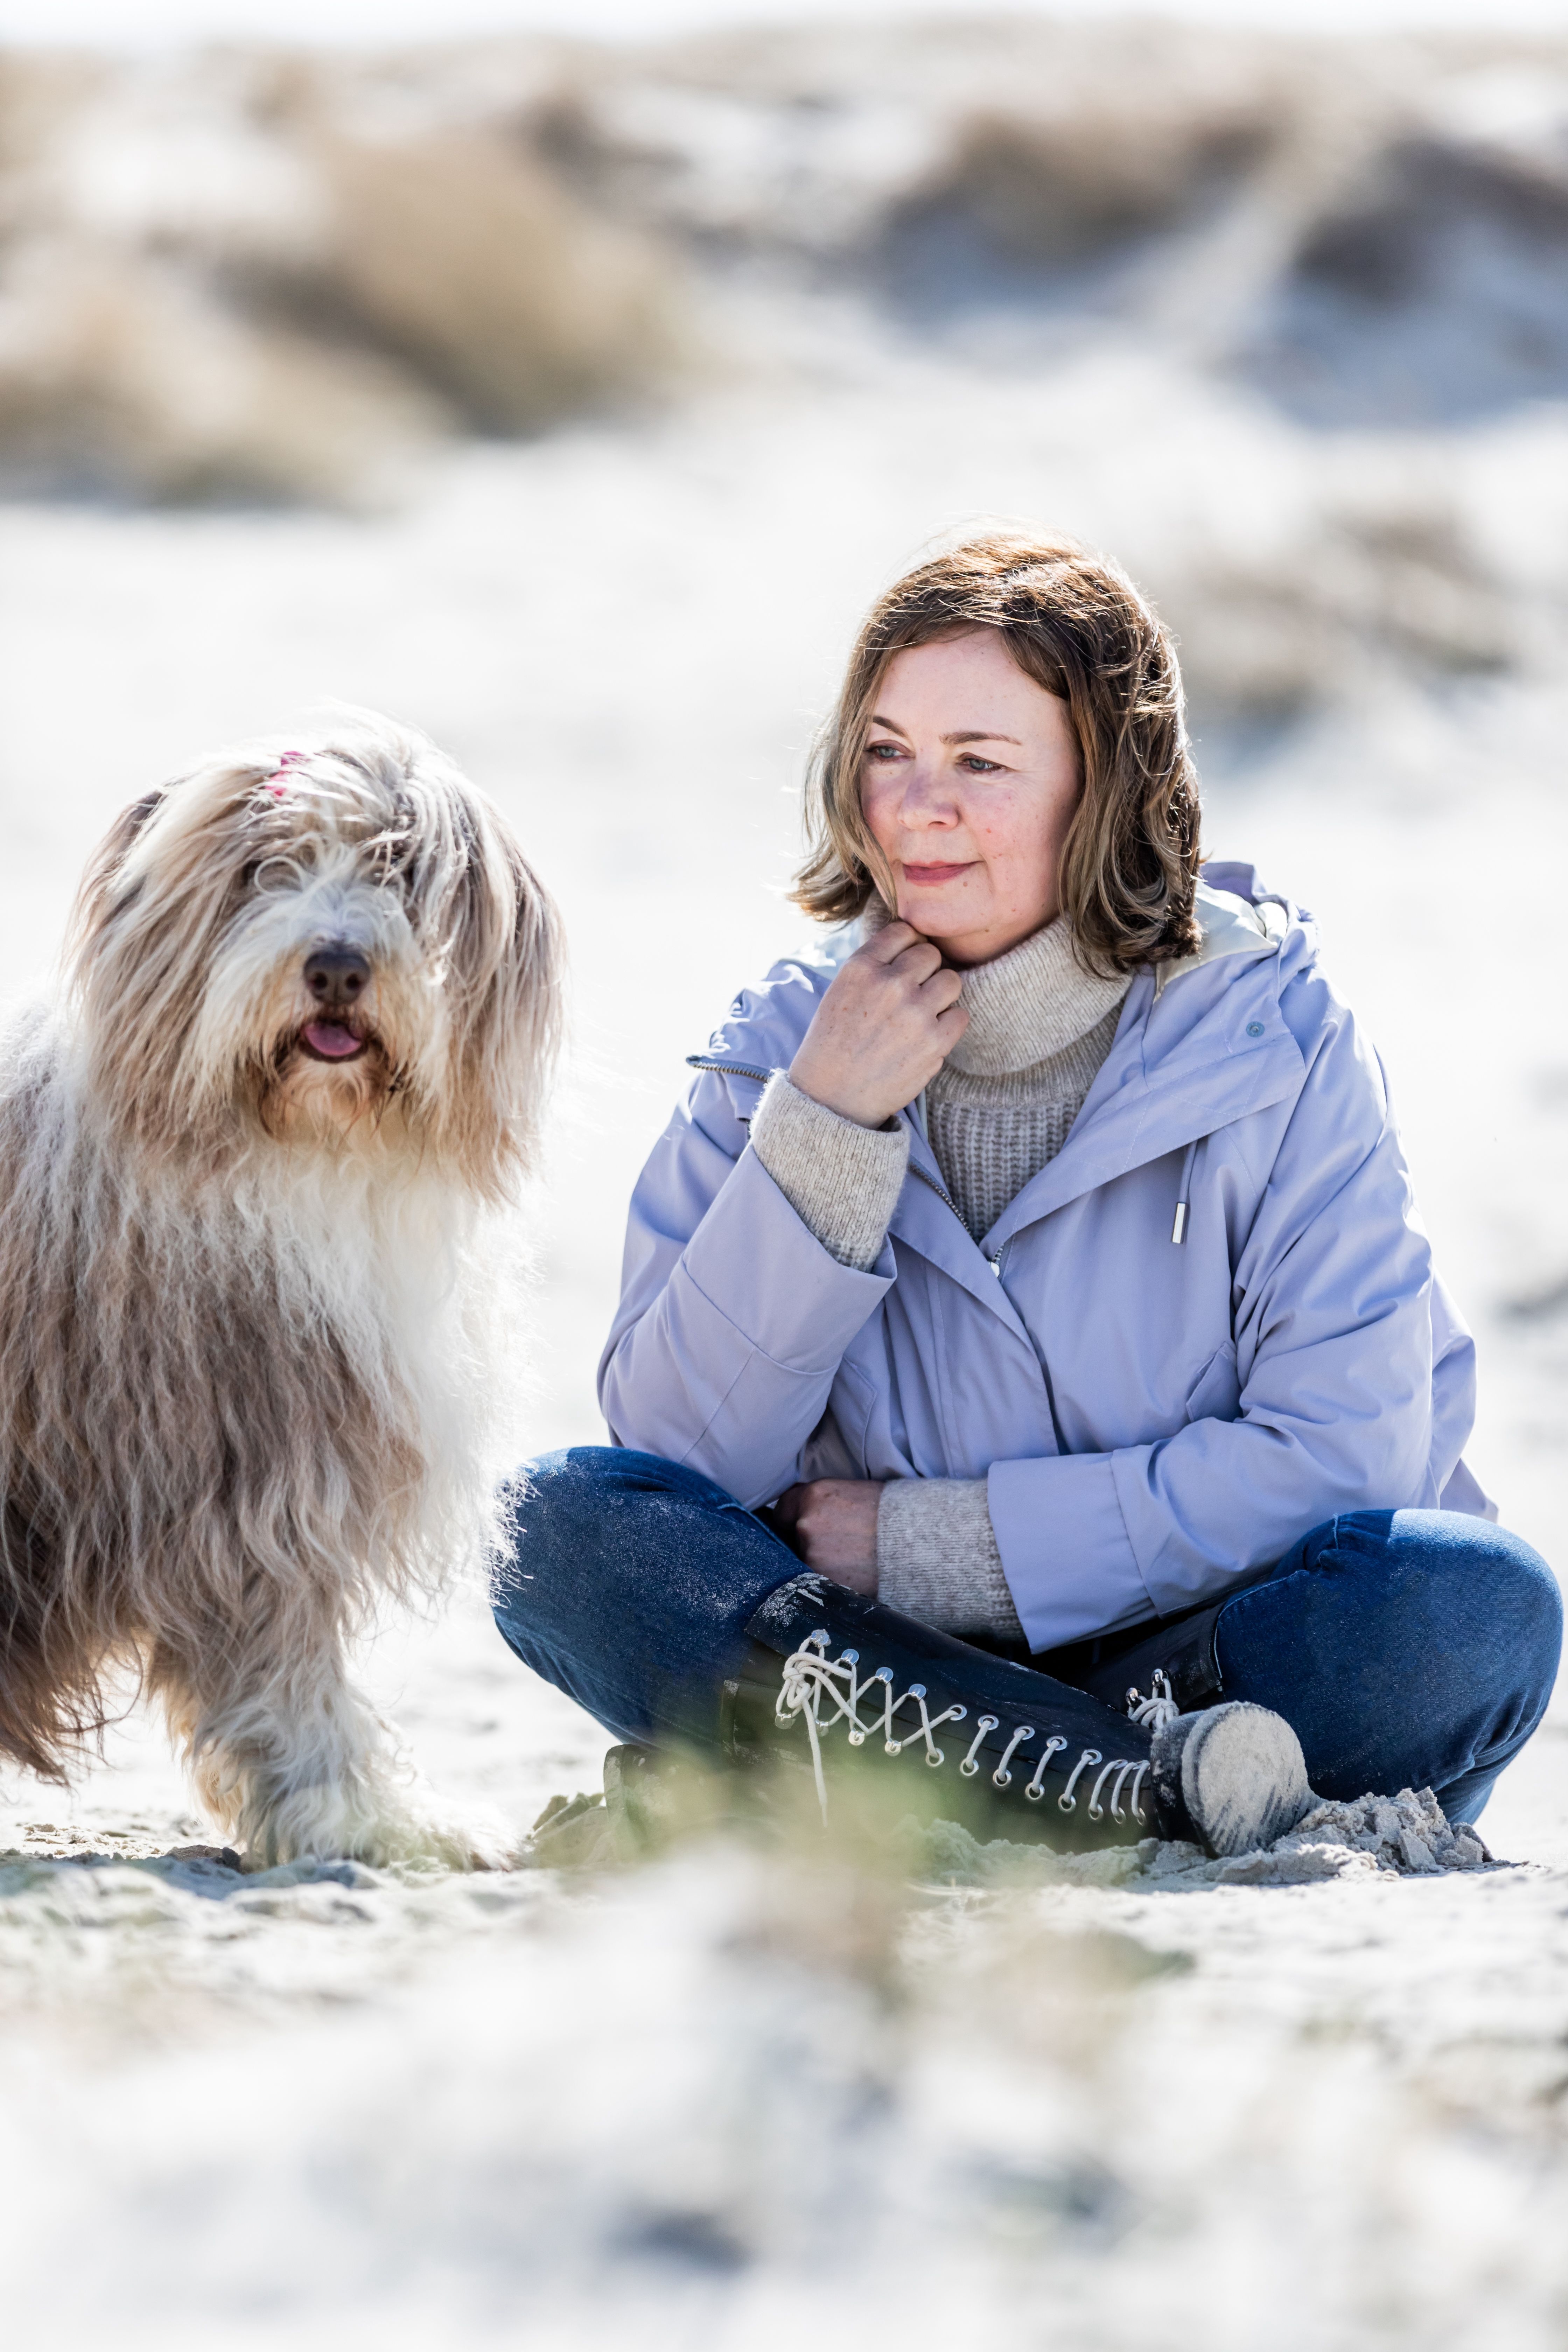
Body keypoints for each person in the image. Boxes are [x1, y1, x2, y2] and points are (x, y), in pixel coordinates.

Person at [493, 530, 1561, 1856]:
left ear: (1103, 788)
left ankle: (896, 1783)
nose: (912, 806)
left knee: (1471, 1607)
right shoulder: (782, 1052)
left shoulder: (1271, 1039)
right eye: (885, 752)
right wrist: (825, 1132)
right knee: (555, 1529)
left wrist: (941, 1548)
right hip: (905, 1668)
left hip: (1220, 1671)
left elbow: (1345, 1453)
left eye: (979, 764)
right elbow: (676, 1467)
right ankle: (1121, 1797)